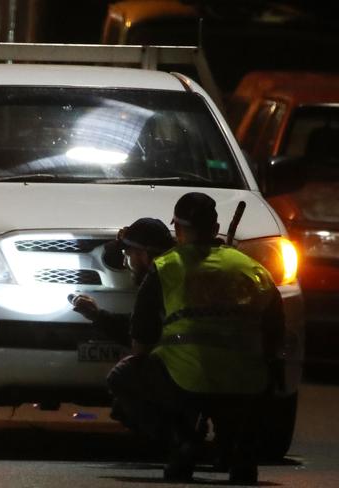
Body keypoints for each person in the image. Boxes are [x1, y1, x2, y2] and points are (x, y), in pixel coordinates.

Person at [95, 192, 284, 484]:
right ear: (215, 225)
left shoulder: (167, 267)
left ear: (179, 230)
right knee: (265, 376)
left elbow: (141, 344)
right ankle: (241, 452)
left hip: (187, 382)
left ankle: (182, 442)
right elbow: (275, 334)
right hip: (247, 384)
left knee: (123, 377)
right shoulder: (251, 267)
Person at [70, 218, 174, 428]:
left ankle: (178, 437)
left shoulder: (157, 278)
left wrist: (97, 316)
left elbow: (140, 340)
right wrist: (98, 315)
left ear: (143, 254)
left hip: (189, 370)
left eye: (128, 254)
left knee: (124, 376)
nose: (126, 263)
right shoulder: (184, 269)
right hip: (237, 369)